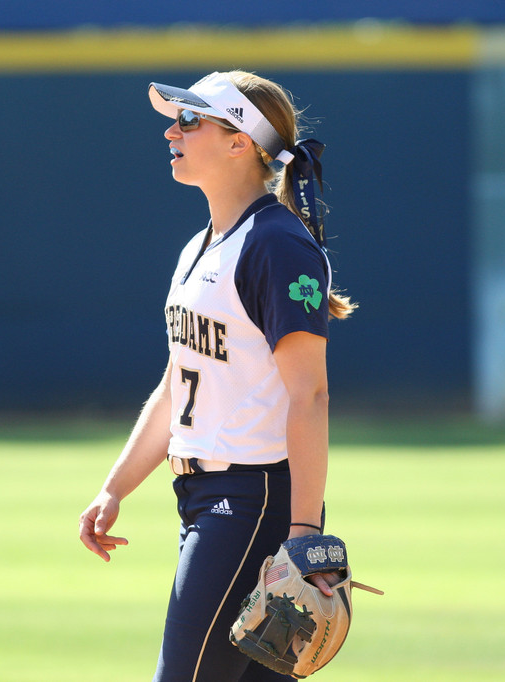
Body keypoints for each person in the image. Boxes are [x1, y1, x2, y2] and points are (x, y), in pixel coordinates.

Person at [78, 70, 356, 682]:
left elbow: (310, 394)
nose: (171, 132)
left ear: (240, 142)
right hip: (209, 498)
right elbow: (177, 382)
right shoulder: (202, 245)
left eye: (190, 120)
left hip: (252, 501)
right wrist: (114, 489)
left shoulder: (275, 244)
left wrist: (303, 536)